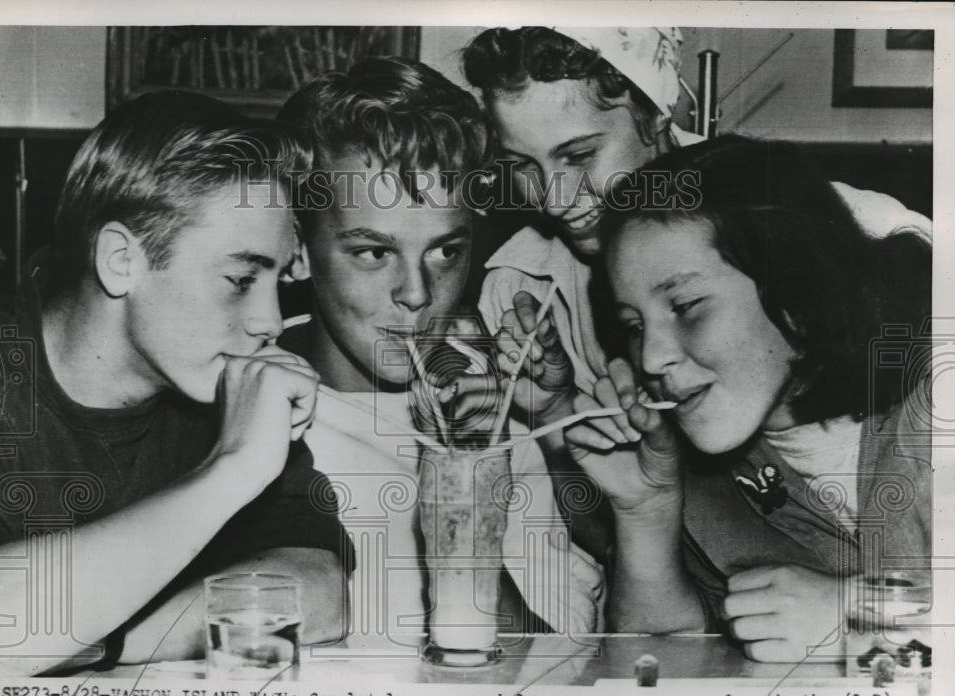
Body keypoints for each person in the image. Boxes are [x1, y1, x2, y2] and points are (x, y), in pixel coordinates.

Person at [0, 91, 351, 696]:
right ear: (121, 260)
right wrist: (230, 472)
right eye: (240, 280)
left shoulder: (220, 379)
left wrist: (106, 640)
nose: (271, 322)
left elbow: (320, 586)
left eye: (277, 282)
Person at [564, 135, 931, 661]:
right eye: (633, 326)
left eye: (686, 306)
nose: (651, 358)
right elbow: (660, 660)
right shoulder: (709, 465)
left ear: (798, 288)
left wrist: (859, 620)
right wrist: (646, 509)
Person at [460, 26, 933, 432]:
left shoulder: (866, 234)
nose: (553, 200)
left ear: (656, 117)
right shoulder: (518, 288)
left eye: (581, 155)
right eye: (521, 165)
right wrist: (554, 414)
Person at [276, 57, 604, 639]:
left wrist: (465, 509)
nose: (416, 294)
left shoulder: (494, 416)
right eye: (374, 253)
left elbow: (555, 662)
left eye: (446, 251)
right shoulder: (238, 405)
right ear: (297, 250)